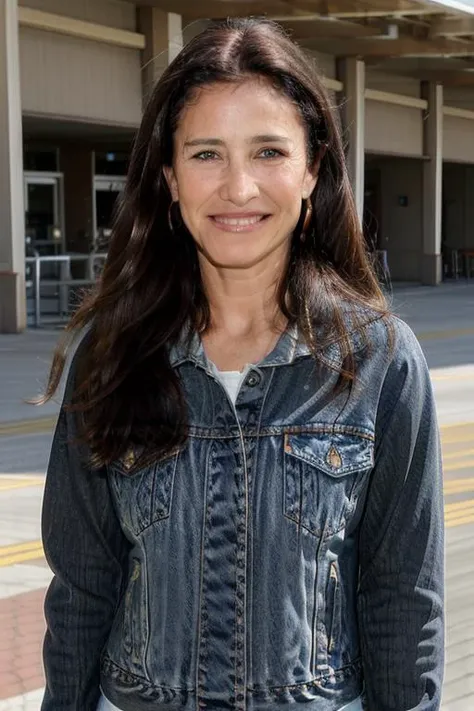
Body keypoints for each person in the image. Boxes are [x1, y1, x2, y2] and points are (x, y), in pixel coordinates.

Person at [40, 17, 444, 711]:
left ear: (312, 168)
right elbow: (82, 586)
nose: (238, 187)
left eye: (267, 151)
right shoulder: (113, 354)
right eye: (205, 154)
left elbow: (403, 601)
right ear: (168, 177)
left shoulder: (380, 360)